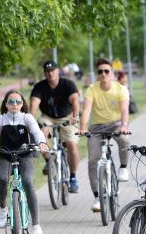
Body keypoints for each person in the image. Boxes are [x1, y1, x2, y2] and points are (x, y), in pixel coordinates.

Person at [0, 90, 48, 234]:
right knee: (2, 179)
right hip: (6, 156)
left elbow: (36, 131)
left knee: (28, 182)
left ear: (22, 104)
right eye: (11, 101)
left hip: (25, 155)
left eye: (18, 101)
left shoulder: (27, 118)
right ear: (6, 104)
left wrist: (42, 142)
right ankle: (2, 208)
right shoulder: (0, 119)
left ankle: (36, 226)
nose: (15, 104)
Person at [79, 58, 131, 212]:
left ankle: (123, 167)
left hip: (115, 124)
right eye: (100, 71)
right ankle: (97, 197)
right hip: (96, 127)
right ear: (97, 74)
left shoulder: (120, 89)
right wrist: (83, 127)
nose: (103, 74)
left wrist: (124, 125)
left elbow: (124, 110)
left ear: (112, 73)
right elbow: (86, 110)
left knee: (124, 139)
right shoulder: (92, 89)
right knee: (92, 160)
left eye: (106, 71)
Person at [29, 60, 81, 193]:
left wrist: (75, 116)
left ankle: (73, 177)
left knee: (72, 144)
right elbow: (34, 104)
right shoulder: (40, 87)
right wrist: (30, 120)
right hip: (48, 117)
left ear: (58, 71)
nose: (50, 73)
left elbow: (75, 100)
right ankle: (48, 160)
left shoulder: (67, 84)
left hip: (67, 117)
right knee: (39, 133)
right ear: (44, 73)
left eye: (52, 70)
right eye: (47, 71)